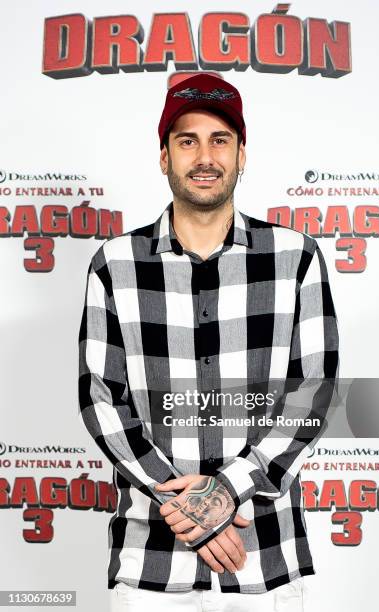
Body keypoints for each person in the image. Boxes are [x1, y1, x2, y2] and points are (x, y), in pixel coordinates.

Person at [78, 72, 339, 612]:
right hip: (151, 564)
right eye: (187, 140)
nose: (205, 156)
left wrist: (225, 492)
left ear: (242, 154)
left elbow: (312, 391)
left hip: (265, 557)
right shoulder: (115, 265)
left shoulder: (296, 257)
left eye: (220, 140)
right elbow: (102, 398)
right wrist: (186, 505)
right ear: (164, 157)